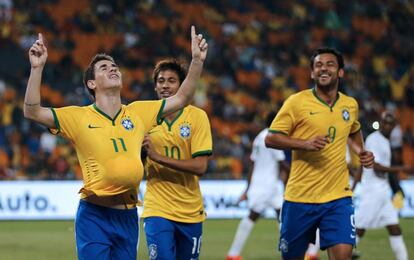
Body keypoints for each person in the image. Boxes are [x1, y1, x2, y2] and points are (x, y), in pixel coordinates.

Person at [23, 26, 208, 260]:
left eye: (114, 67)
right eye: (104, 67)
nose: (112, 69)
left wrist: (197, 62)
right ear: (92, 84)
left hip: (128, 216)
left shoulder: (139, 112)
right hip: (94, 215)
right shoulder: (78, 117)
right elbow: (32, 112)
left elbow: (181, 98)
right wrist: (37, 69)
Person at [264, 47, 375, 260]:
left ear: (341, 72)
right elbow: (271, 138)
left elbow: (353, 130)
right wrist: (304, 143)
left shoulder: (350, 105)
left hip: (338, 197)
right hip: (300, 197)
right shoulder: (297, 102)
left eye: (330, 64)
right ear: (312, 73)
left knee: (343, 255)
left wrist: (362, 151)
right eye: (318, 65)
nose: (324, 68)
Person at [141, 58, 213, 260]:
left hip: (190, 210)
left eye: (171, 80)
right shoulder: (145, 118)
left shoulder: (197, 117)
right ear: (155, 86)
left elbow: (200, 166)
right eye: (161, 80)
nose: (165, 85)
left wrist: (157, 157)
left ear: (182, 85)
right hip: (157, 208)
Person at [226, 111, 289, 260]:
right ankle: (233, 254)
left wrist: (248, 189)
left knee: (282, 216)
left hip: (267, 185)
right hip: (265, 185)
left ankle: (288, 253)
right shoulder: (273, 137)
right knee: (253, 215)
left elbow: (252, 165)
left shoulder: (259, 137)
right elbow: (282, 164)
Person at [354, 111, 412, 260]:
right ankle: (344, 254)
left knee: (395, 228)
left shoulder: (385, 141)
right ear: (380, 122)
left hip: (383, 191)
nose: (386, 125)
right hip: (372, 191)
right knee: (360, 228)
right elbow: (376, 166)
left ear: (394, 126)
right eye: (384, 122)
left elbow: (363, 164)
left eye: (390, 123)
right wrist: (401, 169)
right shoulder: (375, 139)